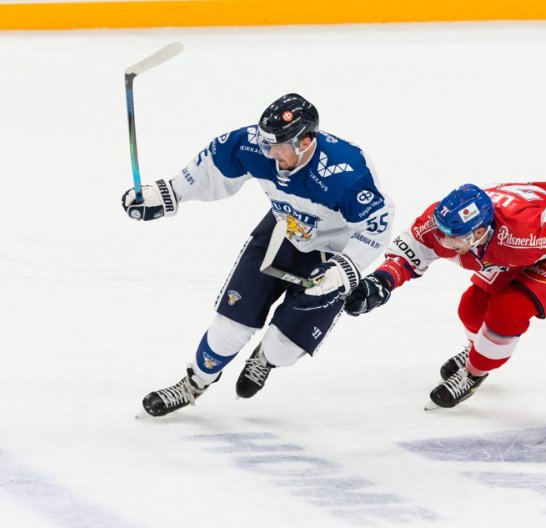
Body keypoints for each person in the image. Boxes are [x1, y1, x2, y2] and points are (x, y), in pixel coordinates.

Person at [122, 93, 394, 417]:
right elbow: (214, 164)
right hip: (284, 230)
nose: (269, 152)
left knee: (284, 347)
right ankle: (194, 383)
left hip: (332, 255)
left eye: (277, 145)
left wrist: (343, 270)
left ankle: (265, 358)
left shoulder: (346, 172)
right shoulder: (258, 145)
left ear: (305, 141)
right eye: (266, 142)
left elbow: (377, 224)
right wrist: (169, 193)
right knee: (229, 328)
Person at [344, 182, 546, 409]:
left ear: (482, 231)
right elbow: (408, 256)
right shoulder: (441, 224)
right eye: (444, 233)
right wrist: (380, 283)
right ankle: (481, 351)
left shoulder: (529, 232)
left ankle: (474, 373)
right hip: (513, 255)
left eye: (455, 237)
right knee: (471, 309)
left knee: (508, 309)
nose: (445, 242)